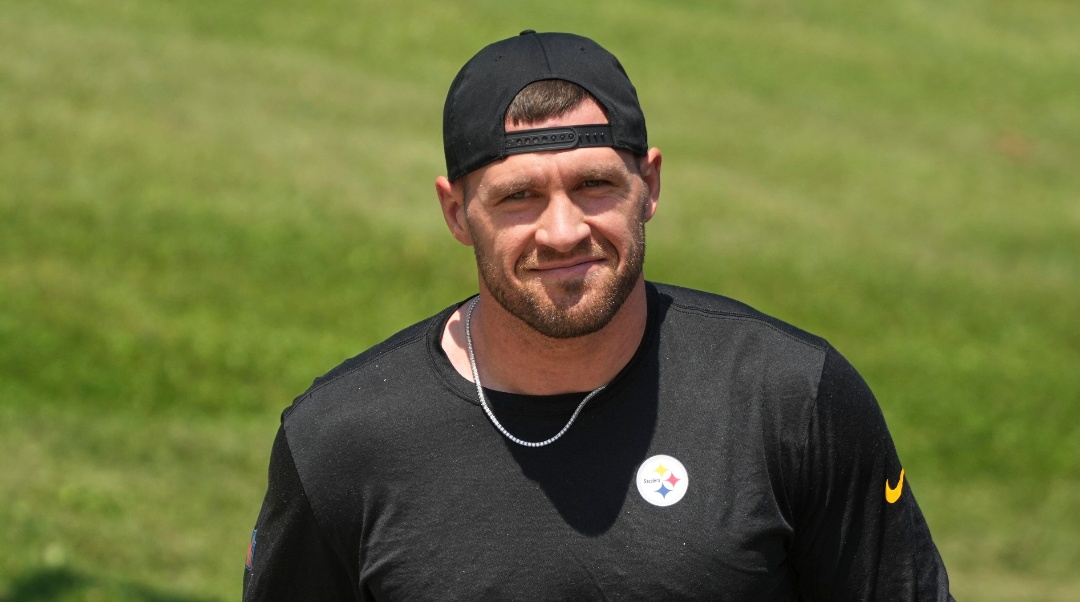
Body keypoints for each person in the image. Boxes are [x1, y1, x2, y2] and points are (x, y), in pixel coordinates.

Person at [243, 30, 953, 601]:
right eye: (519, 198)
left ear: (649, 186)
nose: (562, 232)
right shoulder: (341, 443)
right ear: (456, 213)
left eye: (594, 186)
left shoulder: (790, 399)